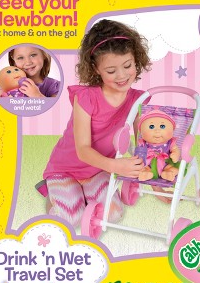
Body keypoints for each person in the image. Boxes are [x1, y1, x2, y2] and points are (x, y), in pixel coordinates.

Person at [42, 19, 151, 227]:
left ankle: (80, 196)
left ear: (136, 59)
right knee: (70, 218)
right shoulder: (86, 97)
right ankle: (55, 194)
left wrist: (156, 183)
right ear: (95, 68)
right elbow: (83, 150)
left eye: (128, 65)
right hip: (66, 169)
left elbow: (143, 145)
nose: (122, 75)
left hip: (99, 170)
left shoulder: (138, 100)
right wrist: (116, 166)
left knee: (113, 215)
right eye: (111, 71)